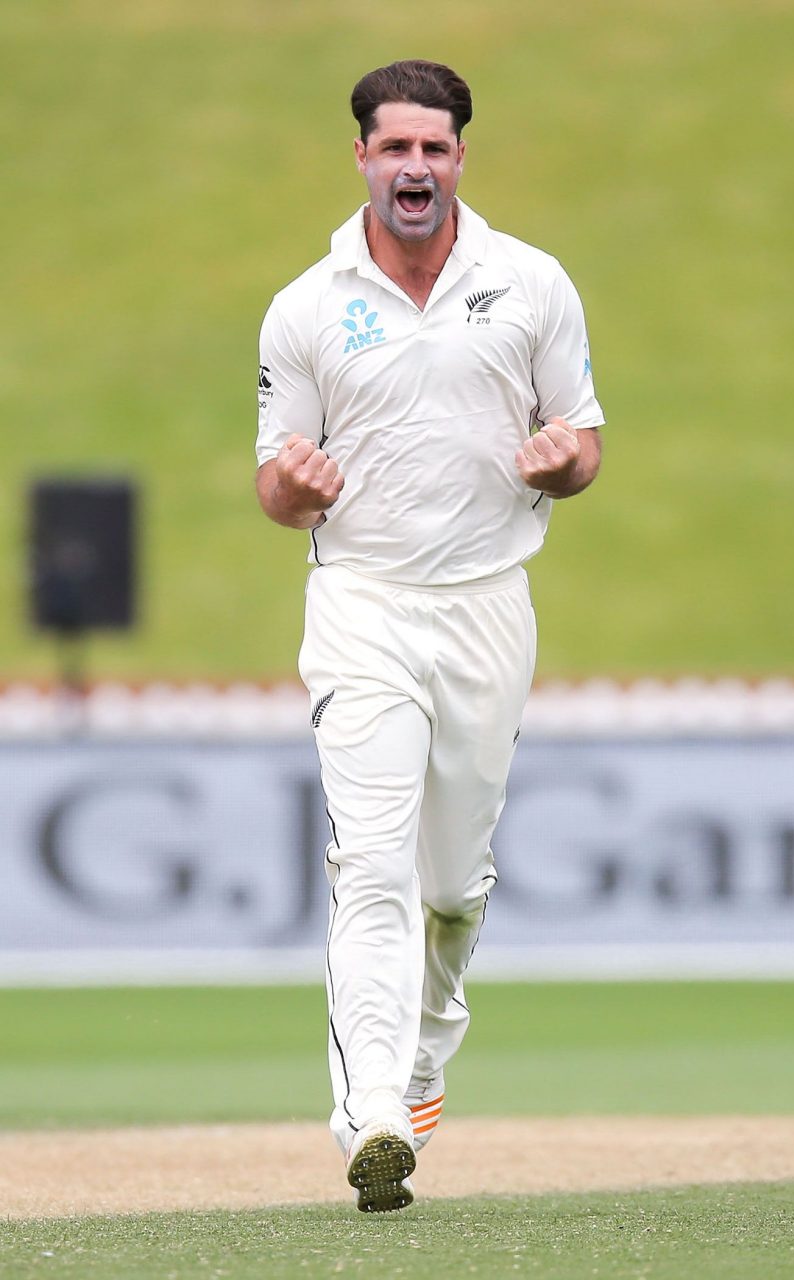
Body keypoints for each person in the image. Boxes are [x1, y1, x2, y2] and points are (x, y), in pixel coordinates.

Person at [255, 59, 604, 1213]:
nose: (414, 167)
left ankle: (418, 1062)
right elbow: (276, 479)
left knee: (452, 886)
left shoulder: (531, 282)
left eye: (434, 149)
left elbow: (583, 436)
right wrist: (293, 484)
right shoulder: (308, 305)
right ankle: (371, 1119)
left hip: (487, 602)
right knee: (370, 864)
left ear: (460, 159)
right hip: (361, 604)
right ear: (359, 156)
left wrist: (566, 459)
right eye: (394, 147)